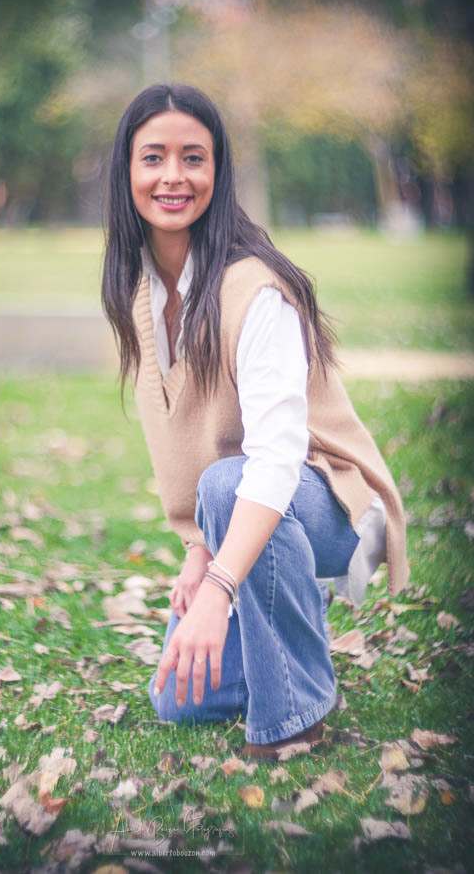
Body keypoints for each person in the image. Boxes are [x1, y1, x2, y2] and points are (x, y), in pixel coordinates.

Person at [101, 83, 408, 759]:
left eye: (193, 157)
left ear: (219, 170)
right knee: (180, 700)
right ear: (126, 172)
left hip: (331, 503)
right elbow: (189, 444)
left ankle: (297, 714)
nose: (173, 176)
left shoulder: (255, 290)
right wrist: (198, 550)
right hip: (243, 506)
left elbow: (272, 459)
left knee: (227, 484)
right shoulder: (138, 292)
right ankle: (292, 603)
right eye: (153, 157)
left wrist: (218, 585)